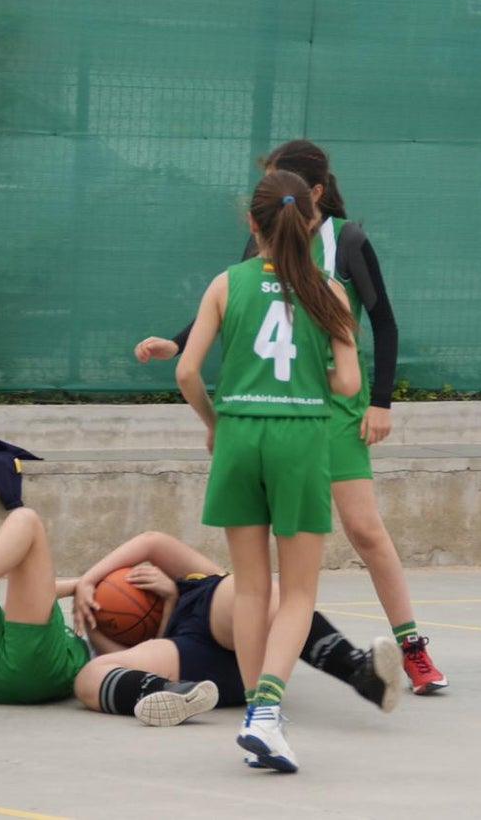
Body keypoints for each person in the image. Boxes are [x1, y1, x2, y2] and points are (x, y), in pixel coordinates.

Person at [135, 139, 447, 697]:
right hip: (286, 406)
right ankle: (270, 692)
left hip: (332, 409)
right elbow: (240, 301)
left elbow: (385, 323)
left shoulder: (346, 241)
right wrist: (176, 341)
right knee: (282, 572)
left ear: (315, 193)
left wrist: (380, 401)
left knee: (365, 531)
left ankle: (412, 647)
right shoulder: (267, 237)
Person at [0, 482, 398, 725]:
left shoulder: (199, 579)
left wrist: (162, 589)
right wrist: (92, 603)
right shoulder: (116, 631)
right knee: (89, 678)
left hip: (220, 620)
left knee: (252, 596)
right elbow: (104, 643)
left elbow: (154, 539)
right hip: (188, 657)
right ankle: (170, 694)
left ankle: (359, 670)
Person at [175, 169, 361, 772]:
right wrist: (316, 378)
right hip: (300, 434)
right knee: (299, 589)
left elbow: (184, 372)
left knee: (250, 585)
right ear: (310, 223)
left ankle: (260, 711)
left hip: (239, 431)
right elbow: (351, 383)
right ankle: (267, 712)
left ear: (251, 223)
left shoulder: (226, 284)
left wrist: (214, 422)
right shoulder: (329, 292)